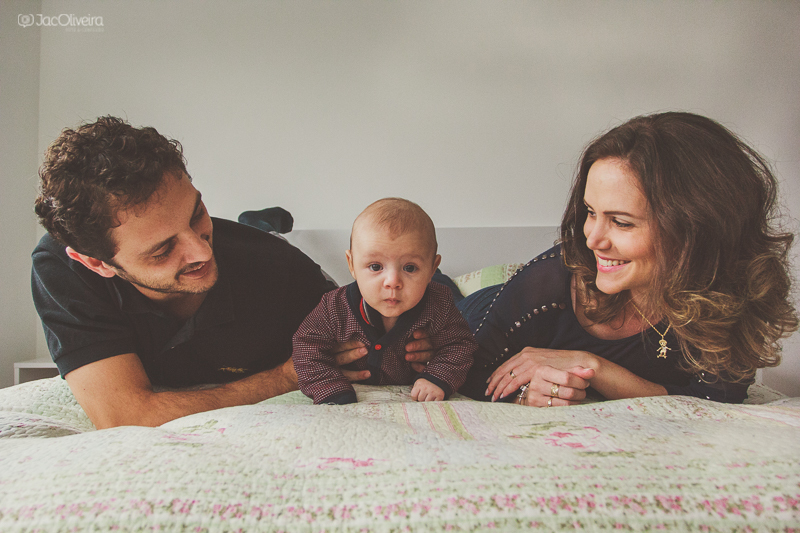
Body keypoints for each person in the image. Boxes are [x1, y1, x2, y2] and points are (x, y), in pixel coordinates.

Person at [31, 117, 433, 429]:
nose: (202, 250)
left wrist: (421, 343)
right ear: (97, 263)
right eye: (163, 248)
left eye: (197, 213)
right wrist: (281, 378)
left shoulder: (280, 270)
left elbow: (375, 328)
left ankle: (258, 225)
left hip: (267, 256)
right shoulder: (62, 267)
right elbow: (125, 415)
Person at [457, 112, 798, 406]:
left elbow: (716, 399)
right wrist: (523, 393)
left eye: (621, 222)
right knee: (428, 294)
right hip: (473, 311)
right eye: (590, 212)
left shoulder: (727, 295)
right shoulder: (547, 283)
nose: (592, 239)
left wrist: (594, 367)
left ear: (696, 231)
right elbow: (465, 370)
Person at [293, 198, 477, 404]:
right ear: (351, 264)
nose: (392, 282)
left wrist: (438, 377)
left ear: (432, 268)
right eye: (375, 266)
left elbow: (459, 345)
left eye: (410, 268)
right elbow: (306, 347)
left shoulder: (439, 303)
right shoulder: (333, 307)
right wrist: (328, 386)